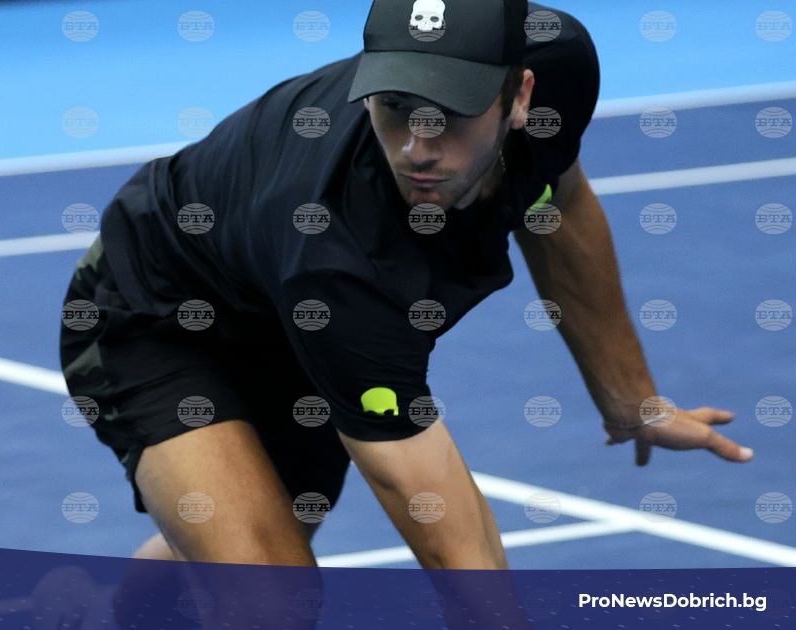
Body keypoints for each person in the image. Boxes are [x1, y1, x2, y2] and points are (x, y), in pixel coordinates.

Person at [59, 0, 753, 580]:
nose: (418, 147)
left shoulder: (559, 66)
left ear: (521, 96)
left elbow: (556, 201)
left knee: (258, 540)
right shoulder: (337, 250)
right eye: (395, 106)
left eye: (450, 111)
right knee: (271, 596)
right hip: (155, 312)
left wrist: (631, 401)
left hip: (289, 320)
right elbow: (448, 541)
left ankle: (95, 611)